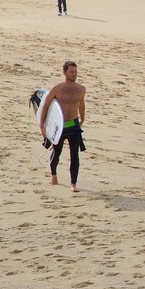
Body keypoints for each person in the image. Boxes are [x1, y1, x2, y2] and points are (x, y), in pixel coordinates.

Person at [39, 61, 87, 192]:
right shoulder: (57, 89)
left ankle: (73, 183)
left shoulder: (81, 89)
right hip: (59, 126)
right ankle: (53, 175)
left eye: (75, 72)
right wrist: (42, 125)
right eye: (71, 72)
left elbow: (81, 105)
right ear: (65, 73)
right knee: (57, 152)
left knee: (75, 155)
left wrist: (82, 119)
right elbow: (46, 106)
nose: (74, 74)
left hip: (73, 125)